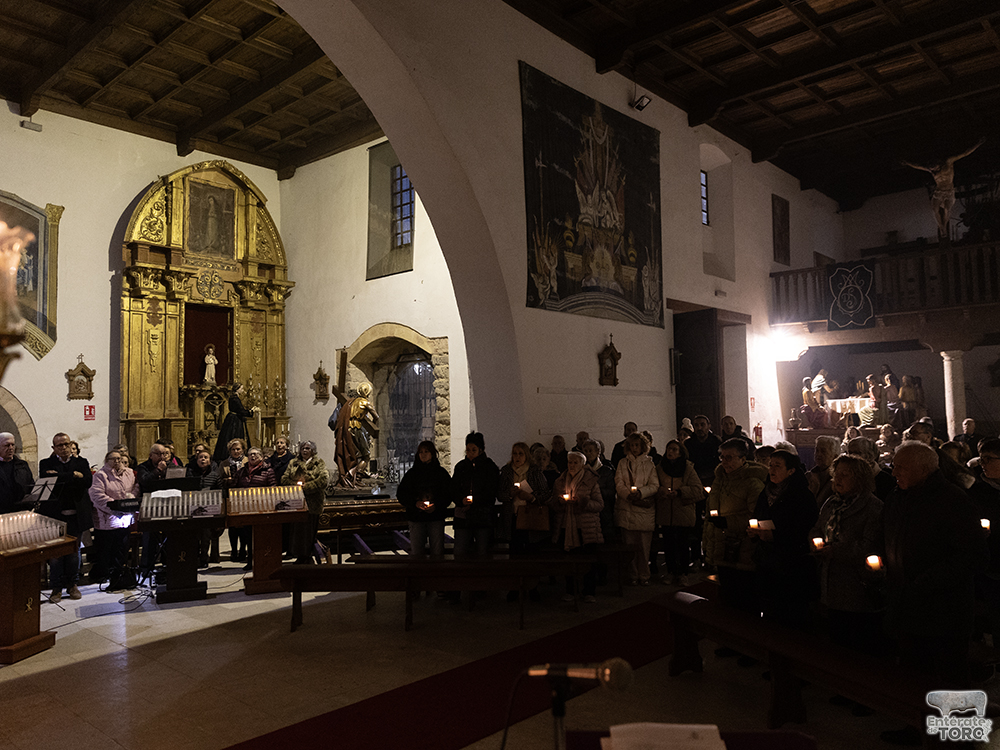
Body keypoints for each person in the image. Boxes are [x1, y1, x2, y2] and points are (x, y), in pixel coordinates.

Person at [879, 441, 989, 745]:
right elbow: (887, 538)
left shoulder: (952, 501)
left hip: (944, 606)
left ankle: (962, 737)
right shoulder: (898, 497)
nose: (894, 470)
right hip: (907, 602)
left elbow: (971, 556)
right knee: (915, 671)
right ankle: (917, 727)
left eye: (901, 466)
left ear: (923, 469)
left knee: (950, 674)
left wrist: (926, 581)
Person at [813, 454, 884, 656]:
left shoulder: (873, 507)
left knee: (858, 642)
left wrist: (836, 550)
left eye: (845, 475)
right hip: (831, 581)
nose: (838, 479)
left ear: (859, 478)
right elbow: (818, 528)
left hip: (855, 584)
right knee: (837, 637)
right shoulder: (832, 503)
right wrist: (816, 542)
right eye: (837, 474)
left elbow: (871, 545)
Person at [749, 450, 818, 630]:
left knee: (790, 616)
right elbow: (758, 515)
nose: (771, 469)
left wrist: (776, 536)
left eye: (777, 466)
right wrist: (754, 532)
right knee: (769, 611)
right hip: (767, 561)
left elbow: (805, 529)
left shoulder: (802, 496)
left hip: (791, 564)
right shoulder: (765, 493)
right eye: (770, 465)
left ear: (791, 471)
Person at [703, 438, 767, 613]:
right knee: (726, 597)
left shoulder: (752, 482)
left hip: (742, 548)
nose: (724, 461)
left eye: (730, 457)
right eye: (722, 457)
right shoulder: (720, 479)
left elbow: (756, 515)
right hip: (721, 545)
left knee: (744, 598)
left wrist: (727, 522)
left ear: (742, 459)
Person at [39, 432, 93, 602]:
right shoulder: (46, 463)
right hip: (55, 516)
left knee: (73, 552)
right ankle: (56, 588)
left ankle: (72, 585)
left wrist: (60, 476)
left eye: (66, 444)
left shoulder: (81, 462)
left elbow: (88, 482)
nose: (63, 448)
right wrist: (74, 476)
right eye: (59, 445)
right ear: (53, 448)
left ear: (71, 446)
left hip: (76, 515)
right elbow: (48, 479)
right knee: (55, 554)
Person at [902, 138, 984, 237]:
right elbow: (917, 166)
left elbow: (964, 153)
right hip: (939, 191)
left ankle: (944, 225)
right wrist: (907, 163)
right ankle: (941, 227)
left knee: (947, 209)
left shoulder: (948, 163)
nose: (934, 171)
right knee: (935, 209)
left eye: (935, 169)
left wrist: (977, 144)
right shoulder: (931, 170)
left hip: (949, 191)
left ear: (939, 165)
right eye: (932, 170)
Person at [549, 450, 603, 601]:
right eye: (570, 462)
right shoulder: (560, 481)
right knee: (569, 560)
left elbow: (599, 505)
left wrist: (583, 502)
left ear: (583, 465)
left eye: (575, 462)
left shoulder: (591, 481)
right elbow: (553, 503)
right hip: (566, 526)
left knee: (588, 561)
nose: (572, 465)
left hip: (585, 527)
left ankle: (589, 591)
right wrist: (560, 502)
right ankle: (570, 590)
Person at [964, 438, 1000, 655]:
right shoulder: (976, 492)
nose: (983, 463)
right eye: (982, 458)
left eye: (989, 459)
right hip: (991, 564)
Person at [652, 439, 704, 585]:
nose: (671, 452)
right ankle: (670, 571)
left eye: (675, 449)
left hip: (683, 510)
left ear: (680, 452)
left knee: (682, 544)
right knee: (668, 544)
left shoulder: (688, 468)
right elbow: (654, 485)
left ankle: (683, 573)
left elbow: (697, 488)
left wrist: (680, 492)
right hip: (666, 511)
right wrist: (661, 491)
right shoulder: (660, 468)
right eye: (669, 449)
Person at [614, 431, 659, 585]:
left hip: (643, 511)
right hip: (627, 509)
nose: (634, 448)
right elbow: (619, 482)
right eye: (632, 445)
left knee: (643, 547)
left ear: (642, 446)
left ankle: (644, 575)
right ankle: (633, 575)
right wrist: (627, 495)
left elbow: (654, 485)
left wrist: (640, 493)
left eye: (637, 445)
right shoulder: (622, 463)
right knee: (629, 547)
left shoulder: (649, 464)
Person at [88, 450, 137, 587]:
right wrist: (116, 508)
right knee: (106, 552)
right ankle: (106, 575)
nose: (117, 461)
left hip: (125, 518)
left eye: (119, 459)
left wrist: (131, 499)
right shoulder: (100, 475)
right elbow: (97, 495)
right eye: (113, 459)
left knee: (122, 549)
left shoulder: (129, 473)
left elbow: (135, 487)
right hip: (106, 520)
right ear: (106, 460)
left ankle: (119, 576)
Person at [397, 440, 452, 557]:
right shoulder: (412, 474)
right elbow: (402, 494)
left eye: (426, 451)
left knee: (437, 551)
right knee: (417, 552)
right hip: (416, 518)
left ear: (432, 453)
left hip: (436, 517)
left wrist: (436, 505)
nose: (423, 454)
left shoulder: (440, 473)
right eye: (421, 452)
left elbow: (448, 493)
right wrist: (416, 503)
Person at [451, 432, 500, 559]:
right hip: (463, 516)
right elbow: (454, 488)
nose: (470, 453)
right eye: (468, 450)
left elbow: (491, 491)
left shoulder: (489, 467)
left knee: (482, 552)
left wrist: (475, 501)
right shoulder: (461, 467)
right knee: (460, 551)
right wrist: (461, 500)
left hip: (483, 517)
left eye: (474, 450)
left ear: (481, 450)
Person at [496, 441, 549, 553]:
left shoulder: (534, 471)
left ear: (526, 455)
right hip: (512, 516)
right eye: (515, 454)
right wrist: (510, 494)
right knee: (515, 550)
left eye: (521, 454)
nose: (517, 457)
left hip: (530, 515)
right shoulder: (507, 471)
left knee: (531, 550)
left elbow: (545, 493)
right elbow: (500, 494)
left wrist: (531, 497)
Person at [283, 441, 329, 565]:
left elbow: (323, 480)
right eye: (303, 448)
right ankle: (300, 555)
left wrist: (306, 486)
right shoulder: (293, 463)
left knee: (309, 531)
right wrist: (297, 487)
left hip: (313, 502)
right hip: (296, 502)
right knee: (297, 531)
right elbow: (285, 479)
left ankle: (308, 555)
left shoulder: (319, 463)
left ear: (312, 450)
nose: (305, 450)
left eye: (307, 448)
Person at [232, 447, 276, 570]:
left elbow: (273, 488)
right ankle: (250, 560)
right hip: (246, 508)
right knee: (248, 536)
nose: (253, 457)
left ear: (261, 457)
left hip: (263, 508)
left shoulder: (268, 471)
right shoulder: (242, 471)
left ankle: (263, 560)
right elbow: (235, 487)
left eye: (256, 454)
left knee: (261, 536)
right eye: (251, 454)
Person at [333, 382, 380, 486]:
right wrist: (373, 427)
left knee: (352, 453)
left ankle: (350, 476)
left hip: (347, 429)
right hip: (357, 428)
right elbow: (376, 417)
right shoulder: (365, 402)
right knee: (366, 455)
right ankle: (357, 478)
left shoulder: (351, 402)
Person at [187, 447, 222, 567]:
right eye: (200, 457)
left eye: (205, 457)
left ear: (210, 461)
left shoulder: (214, 475)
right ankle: (194, 556)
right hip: (192, 508)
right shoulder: (190, 473)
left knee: (206, 534)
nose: (203, 459)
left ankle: (203, 558)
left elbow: (220, 491)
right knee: (194, 535)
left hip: (208, 509)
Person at [219, 438, 249, 561]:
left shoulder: (247, 461)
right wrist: (228, 480)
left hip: (244, 497)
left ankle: (243, 550)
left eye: (238, 449)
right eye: (233, 449)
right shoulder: (224, 463)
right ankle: (234, 551)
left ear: (242, 449)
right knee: (232, 526)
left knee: (243, 526)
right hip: (230, 497)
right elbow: (219, 480)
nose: (236, 451)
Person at [213, 382, 255, 463]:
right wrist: (251, 412)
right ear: (237, 389)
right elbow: (240, 410)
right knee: (234, 436)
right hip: (235, 421)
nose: (242, 390)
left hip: (235, 419)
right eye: (241, 389)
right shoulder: (235, 398)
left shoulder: (234, 397)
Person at [845, 436, 896, 500]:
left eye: (856, 453)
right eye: (849, 453)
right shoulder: (846, 475)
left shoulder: (884, 479)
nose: (851, 457)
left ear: (869, 455)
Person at [0, 432, 33, 514]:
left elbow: (31, 485)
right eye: (7, 445)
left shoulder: (22, 465)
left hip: (21, 510)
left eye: (13, 445)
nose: (11, 448)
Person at [686, 415, 722, 487]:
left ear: (709, 426)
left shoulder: (717, 442)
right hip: (694, 479)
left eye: (702, 425)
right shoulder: (688, 444)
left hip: (714, 478)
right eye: (696, 425)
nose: (699, 428)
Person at [806, 435, 838, 507]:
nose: (818, 454)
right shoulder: (808, 476)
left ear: (835, 456)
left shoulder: (837, 479)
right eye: (817, 450)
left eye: (823, 451)